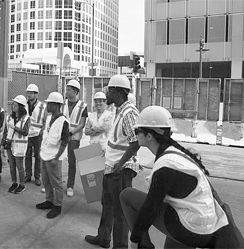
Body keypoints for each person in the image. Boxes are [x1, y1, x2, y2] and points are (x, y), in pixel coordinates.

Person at [120, 106, 229, 249]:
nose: (135, 135)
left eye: (137, 131)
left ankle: (144, 245)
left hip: (191, 228)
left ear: (149, 136)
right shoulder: (174, 153)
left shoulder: (166, 165)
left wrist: (134, 240)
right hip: (202, 224)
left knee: (126, 195)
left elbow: (150, 209)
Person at [85, 75, 140, 249]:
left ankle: (120, 246)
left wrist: (119, 165)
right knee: (107, 206)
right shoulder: (119, 111)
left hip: (120, 171)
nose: (106, 93)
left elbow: (136, 142)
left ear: (117, 92)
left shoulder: (129, 112)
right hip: (111, 168)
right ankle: (103, 238)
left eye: (109, 90)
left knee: (120, 213)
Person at [35, 92, 69, 219]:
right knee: (46, 180)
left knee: (56, 182)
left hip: (54, 157)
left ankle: (57, 205)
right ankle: (49, 200)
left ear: (56, 105)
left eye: (49, 103)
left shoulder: (63, 121)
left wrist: (56, 158)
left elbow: (65, 142)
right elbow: (46, 136)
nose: (47, 105)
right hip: (45, 155)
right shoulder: (49, 118)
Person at [62, 79, 88, 197]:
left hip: (74, 137)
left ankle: (70, 186)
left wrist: (71, 132)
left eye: (69, 90)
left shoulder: (83, 106)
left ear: (76, 91)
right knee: (56, 158)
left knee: (71, 162)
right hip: (61, 135)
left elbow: (82, 124)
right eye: (66, 89)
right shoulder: (62, 103)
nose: (66, 92)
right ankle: (54, 183)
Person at [2, 95, 31, 194]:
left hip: (19, 147)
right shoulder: (9, 117)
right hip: (10, 145)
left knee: (19, 167)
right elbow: (5, 132)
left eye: (16, 105)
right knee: (12, 167)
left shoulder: (26, 118)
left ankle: (22, 184)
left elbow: (26, 132)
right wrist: (3, 144)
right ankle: (14, 183)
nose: (13, 106)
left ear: (21, 107)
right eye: (13, 104)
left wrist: (15, 128)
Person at [25, 84, 47, 186]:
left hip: (38, 134)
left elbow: (46, 121)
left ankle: (37, 177)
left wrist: (42, 131)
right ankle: (28, 175)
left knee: (38, 156)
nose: (28, 94)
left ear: (36, 94)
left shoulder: (43, 106)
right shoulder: (24, 104)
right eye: (28, 92)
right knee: (27, 155)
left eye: (31, 93)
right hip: (27, 133)